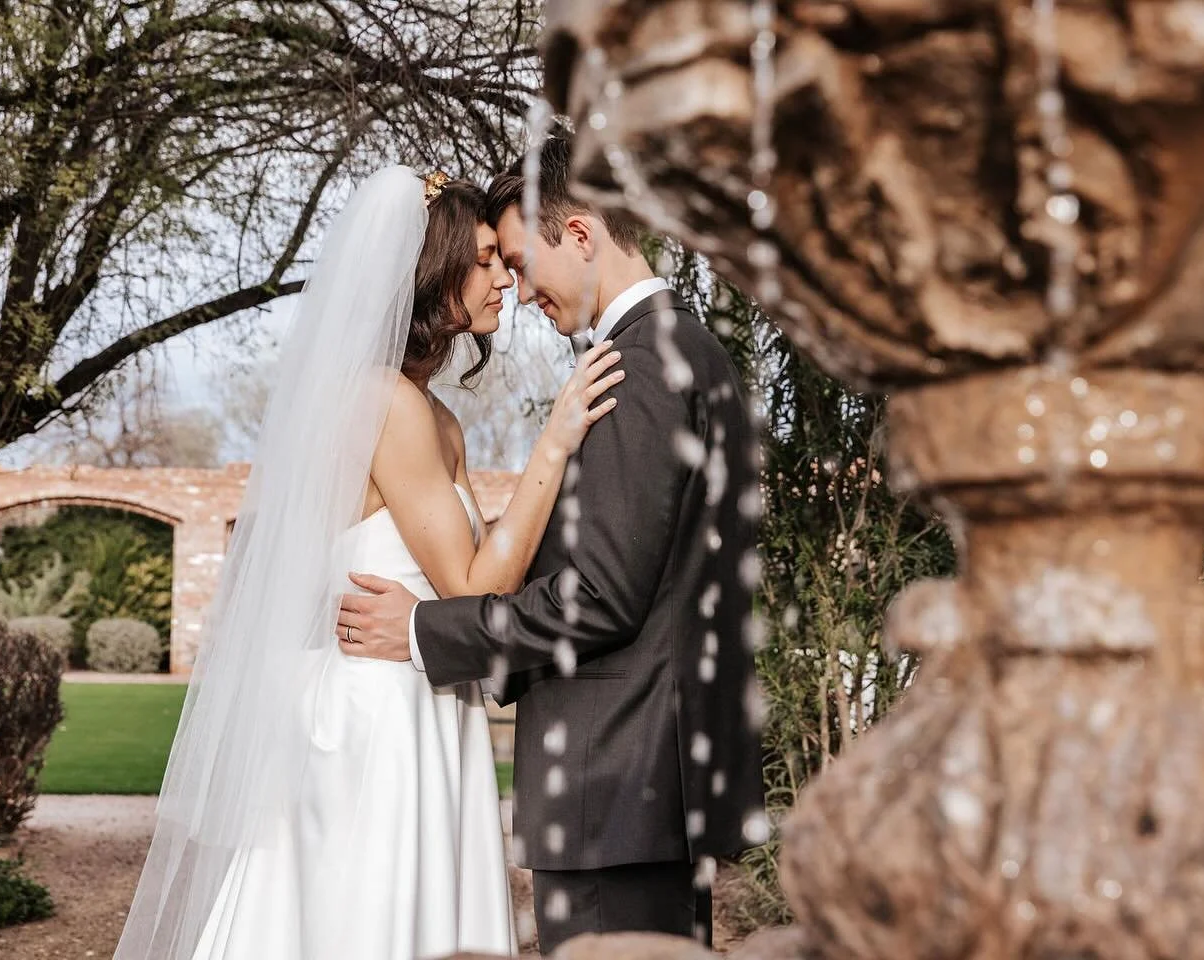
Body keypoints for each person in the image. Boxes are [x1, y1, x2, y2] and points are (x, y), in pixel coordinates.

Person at [113, 166, 623, 960]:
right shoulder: (384, 401)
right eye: (485, 258)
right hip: (373, 718)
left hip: (422, 696)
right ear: (432, 270)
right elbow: (475, 585)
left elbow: (490, 567)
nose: (504, 278)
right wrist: (553, 445)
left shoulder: (434, 414)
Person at [338, 136, 767, 953]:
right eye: (496, 264)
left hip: (615, 779)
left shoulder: (639, 367)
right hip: (644, 782)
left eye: (523, 260)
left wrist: (426, 632)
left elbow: (600, 594)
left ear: (579, 235)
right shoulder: (689, 354)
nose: (520, 286)